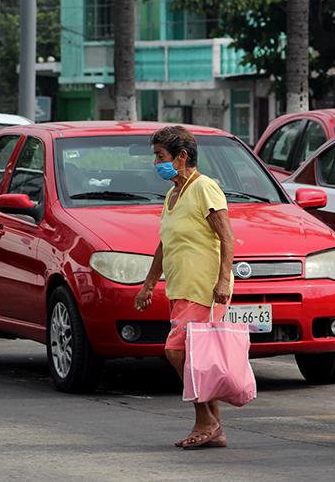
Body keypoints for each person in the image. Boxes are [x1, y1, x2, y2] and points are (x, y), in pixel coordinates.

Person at [134, 126, 235, 449]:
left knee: (176, 351)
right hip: (180, 288)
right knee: (199, 358)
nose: (155, 163)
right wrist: (149, 284)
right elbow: (165, 243)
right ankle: (213, 428)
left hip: (204, 289)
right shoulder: (173, 194)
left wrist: (222, 279)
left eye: (160, 156)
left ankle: (204, 420)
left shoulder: (205, 188)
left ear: (181, 157)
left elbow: (227, 237)